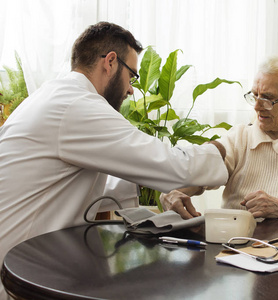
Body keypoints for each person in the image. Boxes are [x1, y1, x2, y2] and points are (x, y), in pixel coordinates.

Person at [0, 22, 228, 296]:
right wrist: (224, 148)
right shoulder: (78, 107)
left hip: (25, 255)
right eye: (131, 76)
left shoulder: (53, 96)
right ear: (110, 62)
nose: (131, 89)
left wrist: (155, 190)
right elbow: (171, 164)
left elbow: (84, 182)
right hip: (20, 267)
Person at [160, 55, 278, 219]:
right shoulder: (241, 137)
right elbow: (204, 172)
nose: (257, 106)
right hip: (235, 245)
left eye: (268, 98)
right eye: (255, 95)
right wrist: (175, 192)